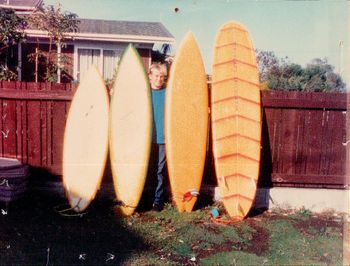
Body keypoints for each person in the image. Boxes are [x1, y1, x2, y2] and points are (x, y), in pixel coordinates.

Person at [148, 63, 167, 212]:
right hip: (146, 139)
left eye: (162, 77)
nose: (159, 79)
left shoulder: (168, 93)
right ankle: (143, 198)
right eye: (156, 76)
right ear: (150, 76)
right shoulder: (144, 93)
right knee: (146, 170)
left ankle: (158, 201)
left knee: (160, 171)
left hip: (163, 138)